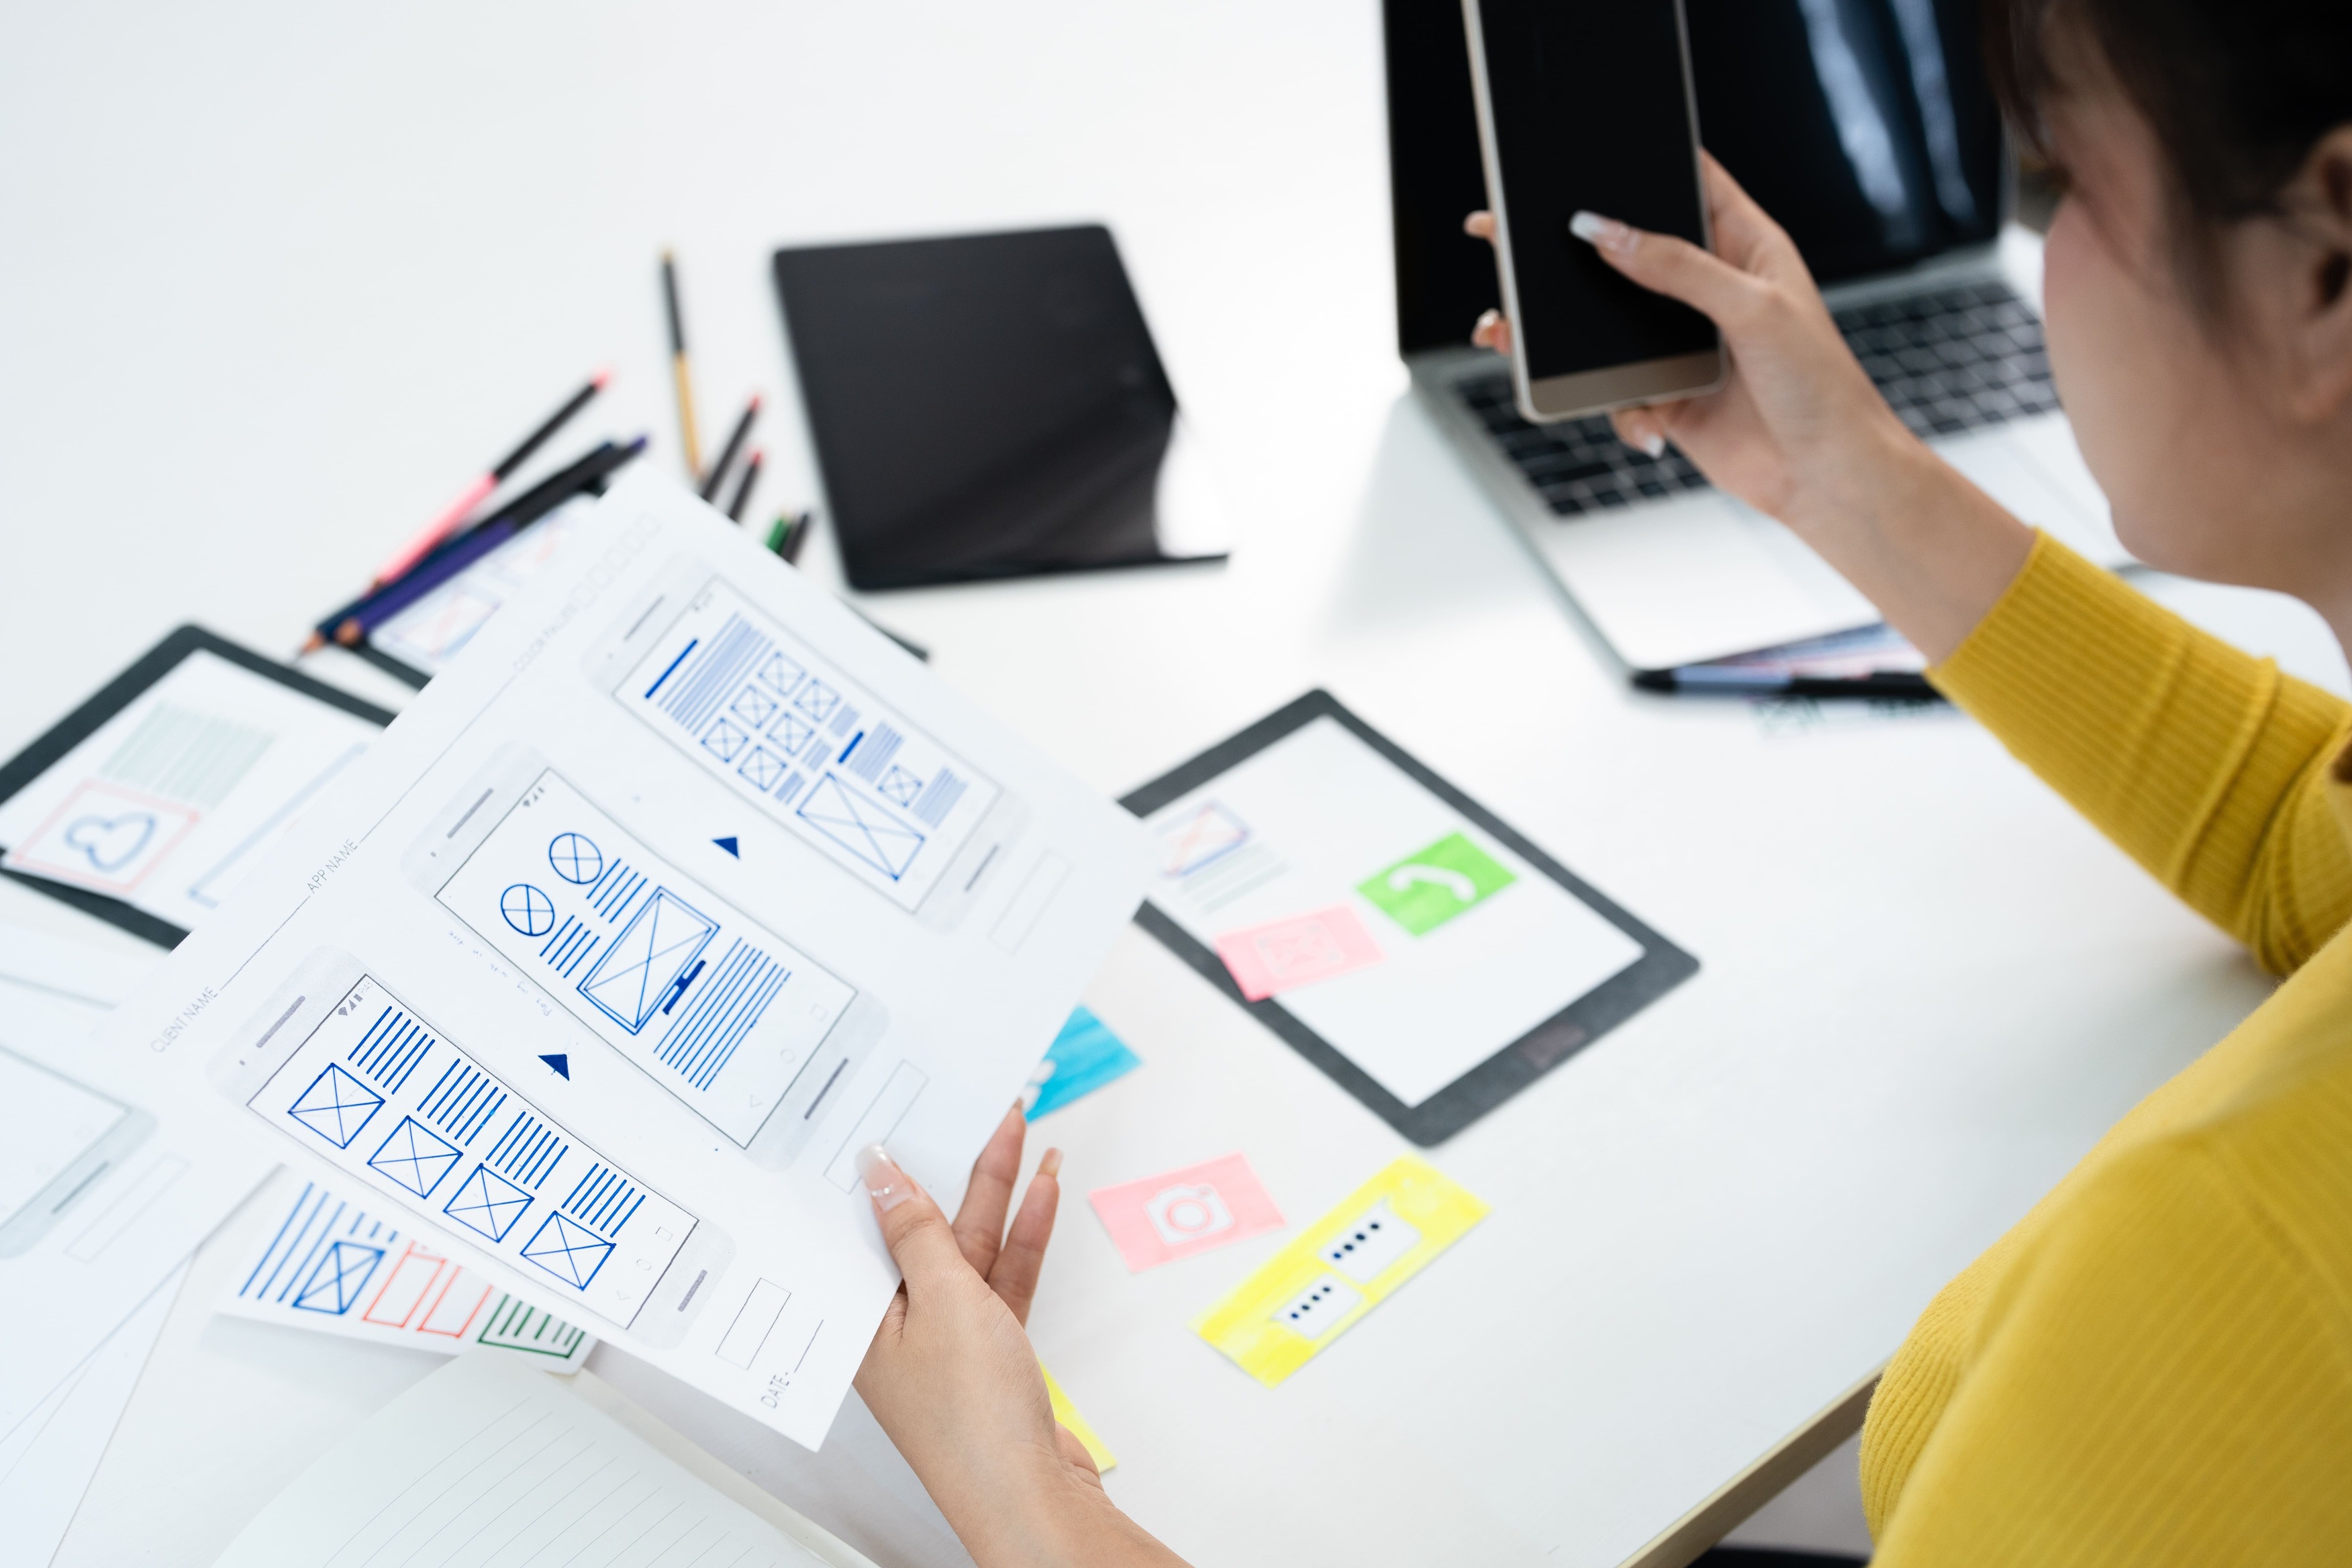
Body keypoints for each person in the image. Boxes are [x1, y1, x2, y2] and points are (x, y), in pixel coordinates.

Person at [851, 0, 2352, 1561]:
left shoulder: (2228, 1280)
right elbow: (2300, 839)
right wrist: (1843, 475)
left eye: (2073, 182)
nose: (2039, 258)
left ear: (2326, 269)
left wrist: (1024, 1488)